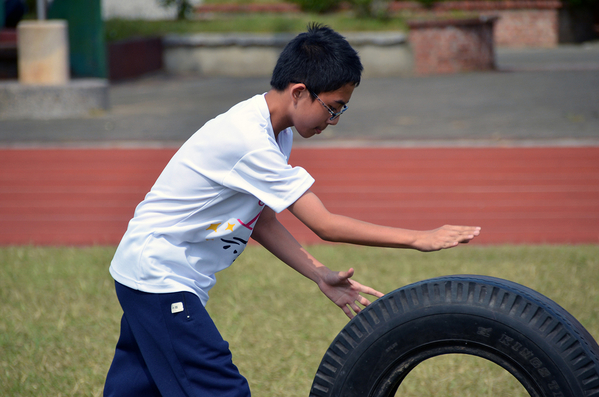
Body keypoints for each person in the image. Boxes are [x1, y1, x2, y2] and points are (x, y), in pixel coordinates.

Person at [103, 23, 481, 397]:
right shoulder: (250, 141)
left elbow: (262, 219)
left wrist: (319, 275)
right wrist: (418, 237)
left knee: (136, 389)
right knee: (221, 390)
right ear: (300, 91)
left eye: (342, 110)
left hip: (146, 273)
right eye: (332, 108)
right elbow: (325, 224)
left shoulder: (274, 130)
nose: (333, 121)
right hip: (160, 279)